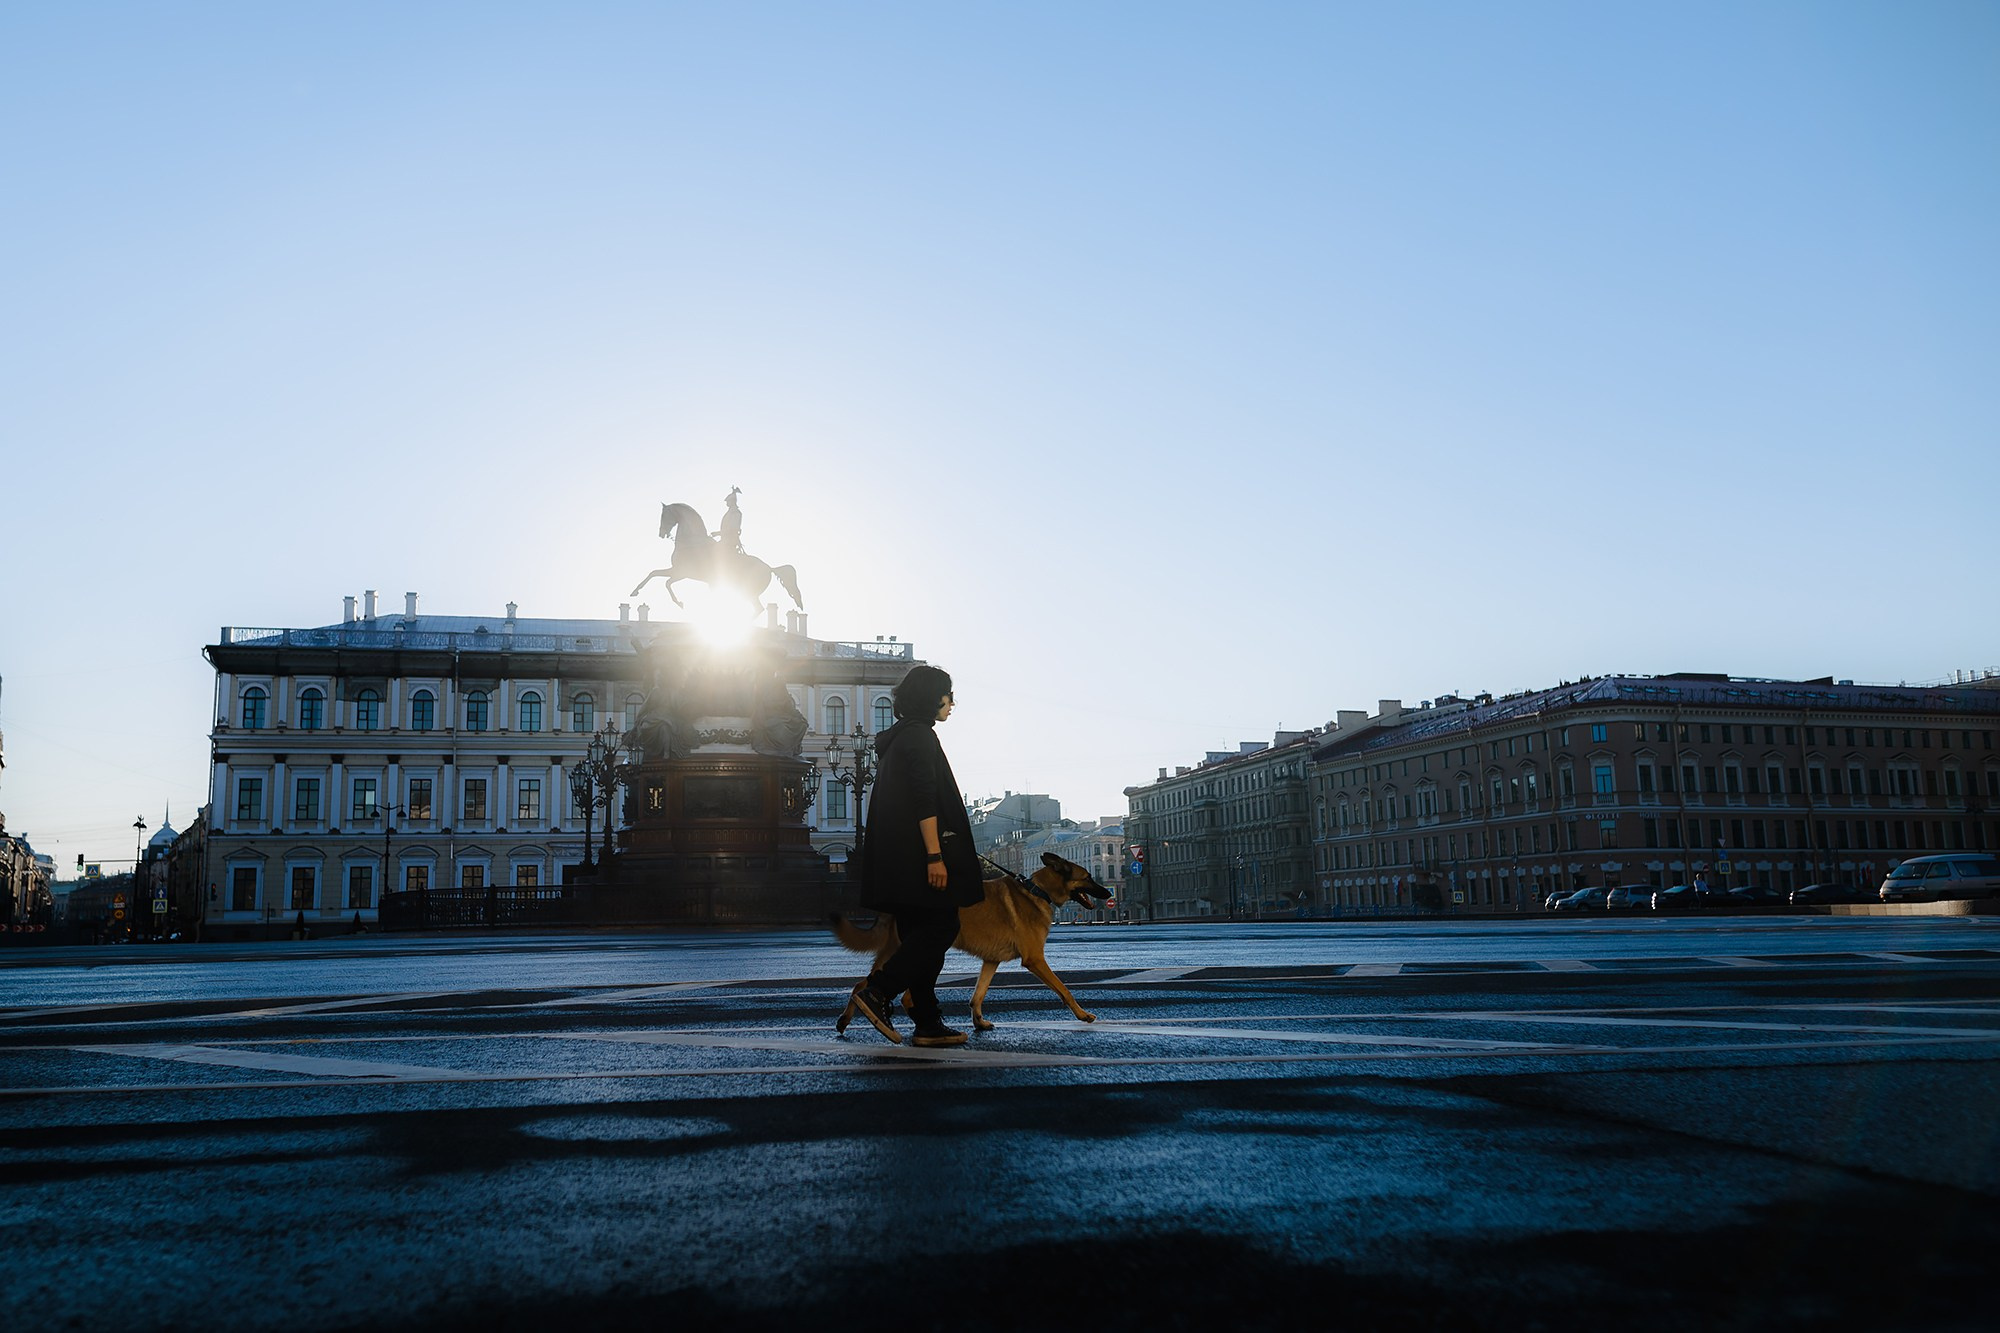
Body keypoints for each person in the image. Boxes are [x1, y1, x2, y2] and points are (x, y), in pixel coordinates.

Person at [844, 664, 980, 1047]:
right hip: (919, 858)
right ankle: (878, 991)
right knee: (942, 926)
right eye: (948, 695)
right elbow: (925, 799)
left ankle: (926, 1021)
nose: (952, 703)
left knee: (922, 933)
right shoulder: (920, 737)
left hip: (898, 859)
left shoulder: (900, 739)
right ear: (932, 697)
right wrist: (935, 856)